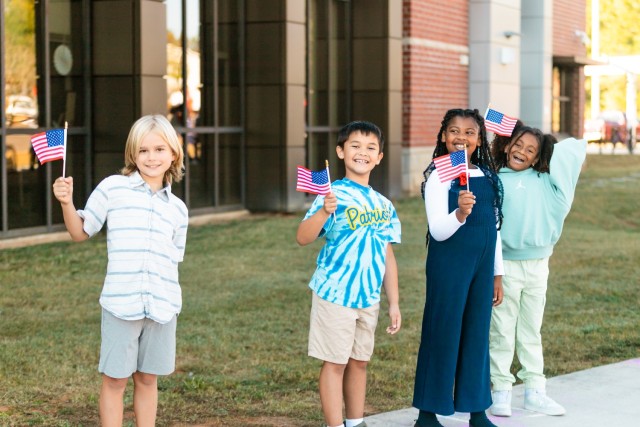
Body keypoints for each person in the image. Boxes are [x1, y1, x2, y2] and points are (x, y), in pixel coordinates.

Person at [52, 115, 188, 426]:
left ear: (173, 154)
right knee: (115, 381)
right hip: (120, 305)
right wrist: (66, 203)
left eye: (159, 149)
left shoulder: (178, 210)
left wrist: (170, 302)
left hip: (162, 308)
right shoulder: (113, 189)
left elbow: (173, 260)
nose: (151, 157)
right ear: (132, 154)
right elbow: (79, 231)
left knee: (148, 379)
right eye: (142, 151)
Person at [296, 121, 402, 427]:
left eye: (371, 148)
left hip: (368, 296)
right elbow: (303, 237)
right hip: (335, 293)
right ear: (341, 152)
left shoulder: (384, 204)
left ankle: (355, 422)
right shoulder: (332, 195)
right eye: (355, 146)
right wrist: (323, 212)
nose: (362, 153)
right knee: (335, 362)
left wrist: (393, 302)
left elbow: (387, 254)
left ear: (380, 157)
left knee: (359, 361)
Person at [413, 108, 504, 427]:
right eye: (454, 131)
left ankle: (477, 411)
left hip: (482, 266)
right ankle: (427, 413)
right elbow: (437, 230)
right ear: (442, 137)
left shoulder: (489, 177)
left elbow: (495, 226)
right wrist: (460, 215)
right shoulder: (439, 175)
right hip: (449, 265)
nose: (461, 137)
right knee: (444, 331)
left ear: (479, 140)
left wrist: (497, 273)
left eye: (469, 132)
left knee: (477, 334)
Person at [488, 124, 587, 417]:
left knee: (531, 330)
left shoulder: (548, 182)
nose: (521, 152)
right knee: (502, 330)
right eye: (517, 145)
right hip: (503, 267)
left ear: (538, 157)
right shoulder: (493, 180)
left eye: (530, 150)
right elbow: (483, 125)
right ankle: (501, 390)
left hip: (537, 265)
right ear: (506, 146)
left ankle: (534, 390)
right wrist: (512, 129)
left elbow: (574, 149)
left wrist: (539, 141)